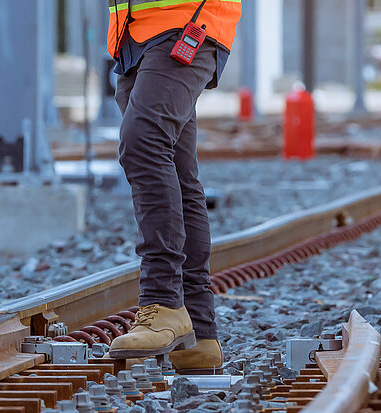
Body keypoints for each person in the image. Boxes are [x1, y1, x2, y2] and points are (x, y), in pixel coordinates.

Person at [102, 0, 239, 374]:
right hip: (133, 33)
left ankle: (162, 303)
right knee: (177, 170)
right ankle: (198, 331)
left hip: (187, 20)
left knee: (143, 141)